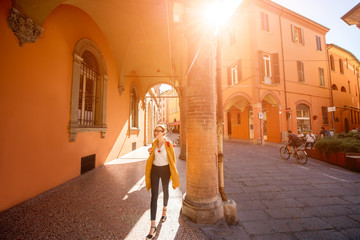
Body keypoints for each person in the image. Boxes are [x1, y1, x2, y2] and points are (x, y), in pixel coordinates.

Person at [145, 125, 180, 240]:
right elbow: (154, 155)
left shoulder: (168, 144)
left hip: (165, 170)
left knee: (165, 190)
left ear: (163, 133)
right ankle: (153, 226)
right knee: (154, 196)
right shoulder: (154, 143)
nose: (156, 132)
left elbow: (173, 160)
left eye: (158, 131)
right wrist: (151, 152)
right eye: (155, 130)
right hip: (155, 170)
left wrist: (173, 173)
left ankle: (164, 210)